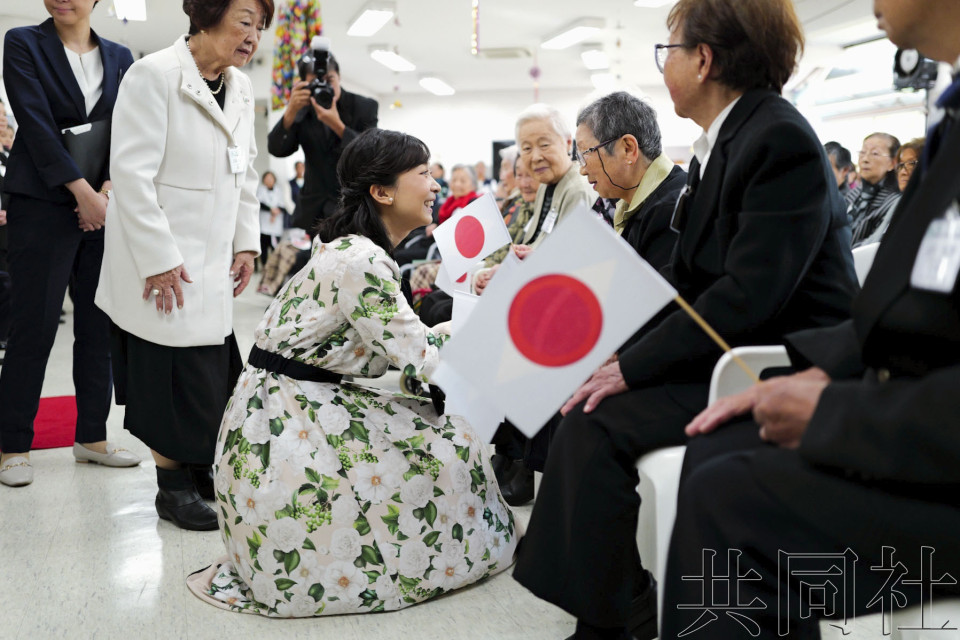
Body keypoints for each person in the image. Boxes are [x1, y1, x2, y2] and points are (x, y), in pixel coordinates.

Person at [512, 1, 859, 637]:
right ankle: (617, 606)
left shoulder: (774, 137)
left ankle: (616, 612)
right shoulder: (727, 140)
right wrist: (621, 358)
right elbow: (695, 285)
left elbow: (748, 293)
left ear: (703, 59)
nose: (663, 64)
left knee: (597, 418)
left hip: (771, 360)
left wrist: (633, 365)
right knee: (584, 415)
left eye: (667, 49)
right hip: (727, 346)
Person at [663, 1, 960, 636]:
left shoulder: (775, 136)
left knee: (730, 503)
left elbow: (749, 291)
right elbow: (913, 312)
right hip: (914, 412)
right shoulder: (950, 118)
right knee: (716, 446)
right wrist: (828, 374)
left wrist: (837, 413)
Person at [186, 128, 519, 617]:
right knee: (450, 443)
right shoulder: (363, 261)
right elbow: (422, 356)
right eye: (424, 174)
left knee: (425, 431)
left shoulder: (347, 248)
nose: (435, 187)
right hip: (287, 418)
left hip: (274, 408)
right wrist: (490, 319)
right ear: (382, 193)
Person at [94, 0, 273, 528]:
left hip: (212, 263)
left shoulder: (241, 87)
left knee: (211, 375)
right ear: (206, 15)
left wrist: (247, 243)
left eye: (260, 27)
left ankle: (199, 470)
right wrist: (158, 260)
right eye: (245, 21)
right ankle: (171, 489)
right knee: (165, 377)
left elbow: (245, 171)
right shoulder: (154, 76)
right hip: (162, 263)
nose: (253, 36)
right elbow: (130, 176)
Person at [0, 0, 139, 488]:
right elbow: (34, 125)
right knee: (33, 324)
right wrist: (80, 192)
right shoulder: (22, 43)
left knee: (99, 325)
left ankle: (92, 437)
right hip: (41, 202)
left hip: (102, 205)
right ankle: (13, 443)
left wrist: (104, 194)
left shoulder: (121, 56)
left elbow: (128, 129)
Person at [268, 46, 378, 230]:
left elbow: (370, 154)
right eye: (316, 83)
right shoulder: (302, 109)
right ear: (304, 84)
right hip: (313, 210)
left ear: (339, 76)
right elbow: (277, 149)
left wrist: (338, 125)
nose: (325, 87)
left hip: (353, 208)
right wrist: (290, 112)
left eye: (329, 80)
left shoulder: (363, 107)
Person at [575, 91, 686, 269]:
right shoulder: (633, 203)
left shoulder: (670, 211)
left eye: (585, 154)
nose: (582, 169)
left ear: (628, 149)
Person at [848, 132, 902, 247]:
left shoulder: (894, 202)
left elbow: (873, 246)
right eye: (862, 152)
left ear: (892, 163)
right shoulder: (853, 194)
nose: (865, 159)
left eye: (875, 153)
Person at [257, 170, 286, 266]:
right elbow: (260, 203)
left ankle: (274, 266)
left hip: (276, 223)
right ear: (263, 180)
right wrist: (271, 210)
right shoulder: (260, 190)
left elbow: (283, 205)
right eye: (267, 178)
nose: (269, 180)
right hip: (264, 223)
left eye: (271, 178)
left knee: (275, 247)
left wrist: (274, 213)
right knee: (264, 247)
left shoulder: (279, 190)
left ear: (274, 179)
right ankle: (264, 266)